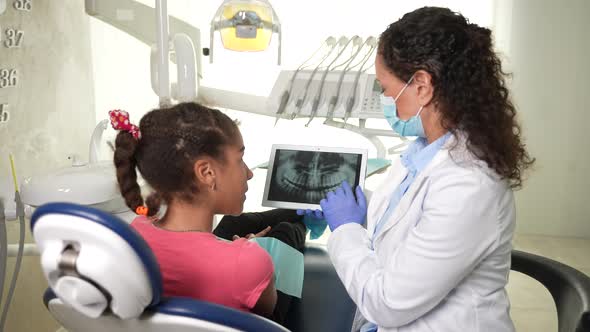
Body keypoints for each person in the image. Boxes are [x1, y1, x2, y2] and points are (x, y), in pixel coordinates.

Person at [315, 7, 535, 332]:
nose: (386, 98)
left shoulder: (470, 182)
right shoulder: (424, 151)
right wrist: (363, 208)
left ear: (421, 85)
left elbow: (387, 304)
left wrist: (346, 229)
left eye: (386, 88)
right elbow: (413, 214)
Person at [110, 103, 306, 325]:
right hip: (259, 311)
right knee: (287, 232)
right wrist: (247, 254)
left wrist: (237, 253)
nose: (249, 173)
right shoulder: (251, 261)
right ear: (207, 173)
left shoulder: (137, 228)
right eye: (240, 159)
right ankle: (302, 223)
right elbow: (270, 310)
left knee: (233, 223)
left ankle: (294, 213)